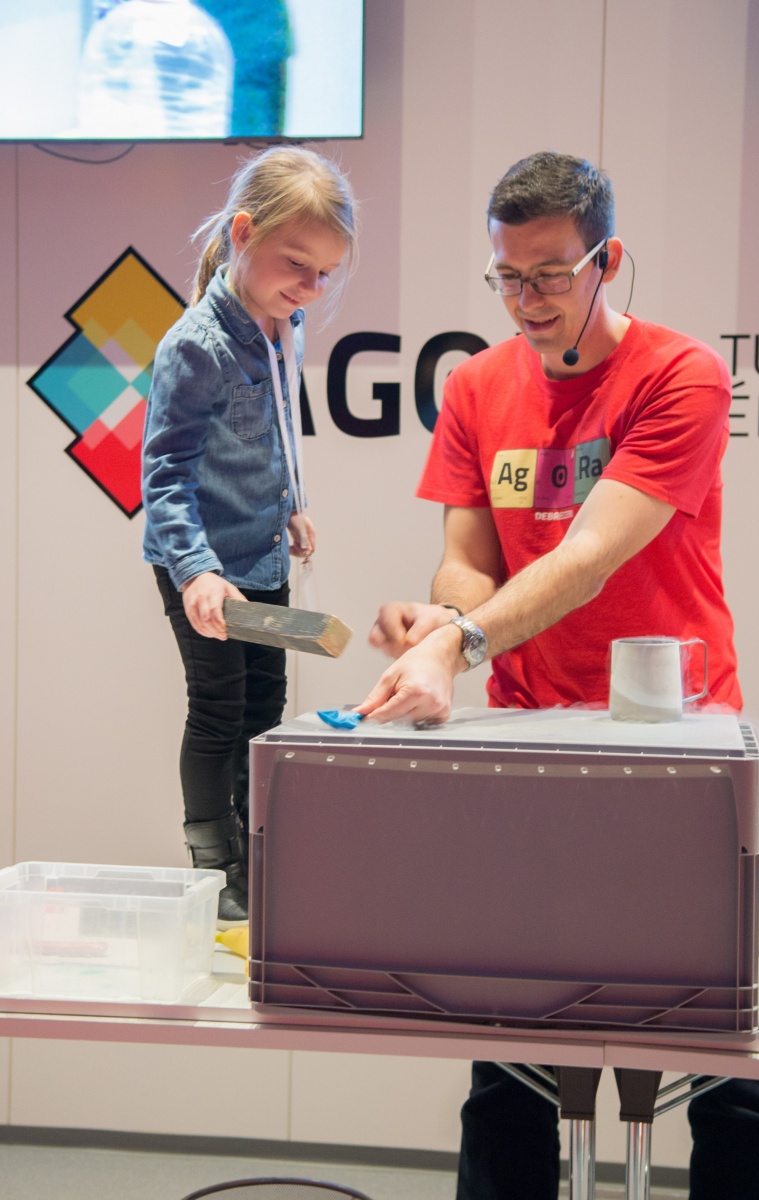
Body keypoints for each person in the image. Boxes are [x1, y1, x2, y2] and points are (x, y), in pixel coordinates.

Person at [356, 152, 759, 1200]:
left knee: (723, 1057)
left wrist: (455, 644)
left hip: (673, 746)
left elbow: (591, 556)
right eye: (507, 276)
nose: (527, 300)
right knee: (507, 1051)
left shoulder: (681, 375)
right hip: (527, 743)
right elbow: (469, 560)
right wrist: (445, 619)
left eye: (551, 274)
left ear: (608, 260)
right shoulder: (475, 385)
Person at [142, 146, 358, 927]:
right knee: (218, 707)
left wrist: (290, 503)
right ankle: (216, 866)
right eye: (296, 264)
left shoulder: (281, 326)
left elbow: (272, 431)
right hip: (203, 567)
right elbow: (164, 477)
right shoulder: (195, 344)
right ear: (242, 233)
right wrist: (196, 572)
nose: (310, 287)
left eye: (324, 273)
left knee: (266, 705)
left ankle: (259, 849)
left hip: (261, 554)